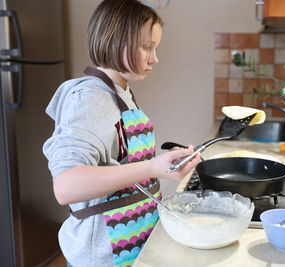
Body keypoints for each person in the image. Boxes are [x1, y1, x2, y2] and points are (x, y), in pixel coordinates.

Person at [42, 0, 200, 266]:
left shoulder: (119, 92)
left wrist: (164, 164)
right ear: (115, 42)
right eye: (146, 47)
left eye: (155, 48)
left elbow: (123, 164)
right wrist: (152, 167)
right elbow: (66, 186)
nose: (154, 58)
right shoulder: (90, 98)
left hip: (131, 243)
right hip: (103, 255)